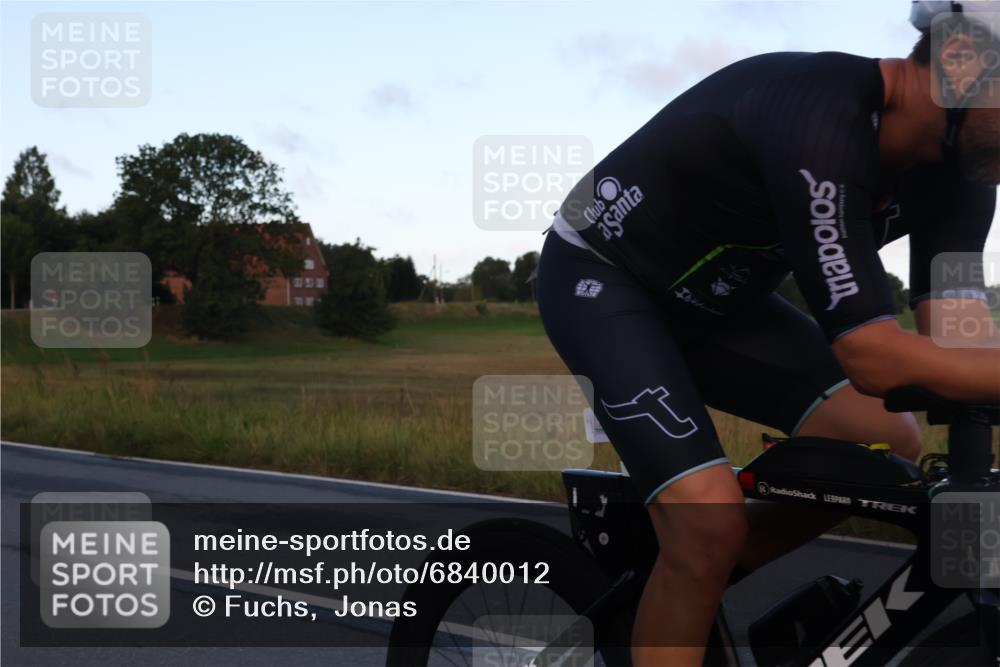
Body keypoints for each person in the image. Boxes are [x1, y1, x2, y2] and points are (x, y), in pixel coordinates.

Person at [535, 2, 1000, 664]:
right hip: (605, 281)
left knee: (886, 437)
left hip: (722, 303)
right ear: (961, 63)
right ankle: (696, 552)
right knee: (707, 525)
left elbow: (960, 352)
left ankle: (687, 579)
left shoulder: (964, 176)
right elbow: (871, 355)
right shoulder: (822, 115)